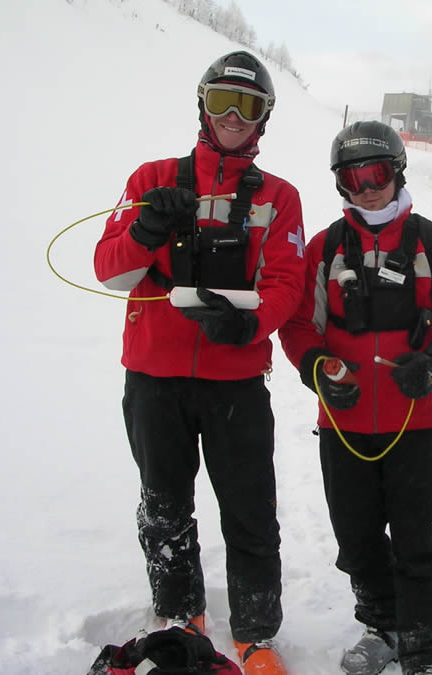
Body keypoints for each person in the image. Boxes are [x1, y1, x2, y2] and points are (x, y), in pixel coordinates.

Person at [94, 51, 306, 675]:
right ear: (203, 106)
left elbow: (288, 282)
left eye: (250, 106)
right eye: (223, 102)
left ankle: (256, 633)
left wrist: (251, 322)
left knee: (249, 507)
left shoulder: (280, 198)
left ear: (265, 119)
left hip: (235, 381)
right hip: (154, 377)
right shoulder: (151, 178)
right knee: (163, 503)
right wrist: (147, 229)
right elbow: (110, 271)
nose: (235, 118)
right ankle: (181, 614)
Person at [279, 121, 432, 675]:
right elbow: (299, 326)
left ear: (397, 174)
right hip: (342, 426)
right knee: (358, 538)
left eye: (379, 174)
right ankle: (383, 625)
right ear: (341, 184)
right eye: (354, 177)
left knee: (419, 540)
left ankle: (423, 647)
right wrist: (317, 369)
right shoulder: (325, 248)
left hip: (413, 426)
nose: (368, 187)